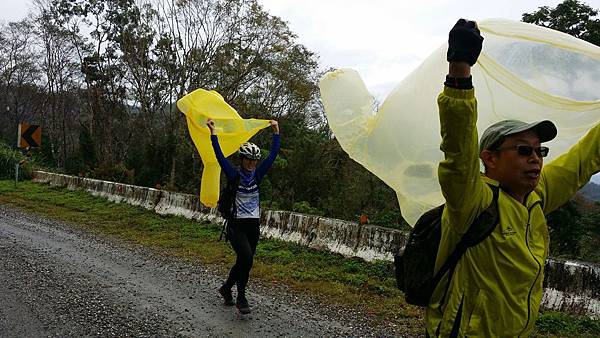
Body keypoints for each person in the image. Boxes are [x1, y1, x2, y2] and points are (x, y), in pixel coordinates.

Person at [426, 19, 600, 337]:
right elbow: (458, 148)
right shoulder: (472, 200)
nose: (535, 158)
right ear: (489, 158)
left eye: (539, 151)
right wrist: (459, 67)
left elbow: (584, 159)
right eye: (522, 150)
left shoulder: (536, 197)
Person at [206, 118, 280, 315]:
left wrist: (276, 132)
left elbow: (272, 155)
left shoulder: (257, 175)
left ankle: (226, 288)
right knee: (246, 258)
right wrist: (213, 133)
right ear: (242, 159)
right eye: (248, 160)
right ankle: (241, 297)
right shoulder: (234, 174)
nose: (252, 163)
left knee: (244, 262)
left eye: (254, 160)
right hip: (236, 226)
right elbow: (220, 156)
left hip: (253, 226)